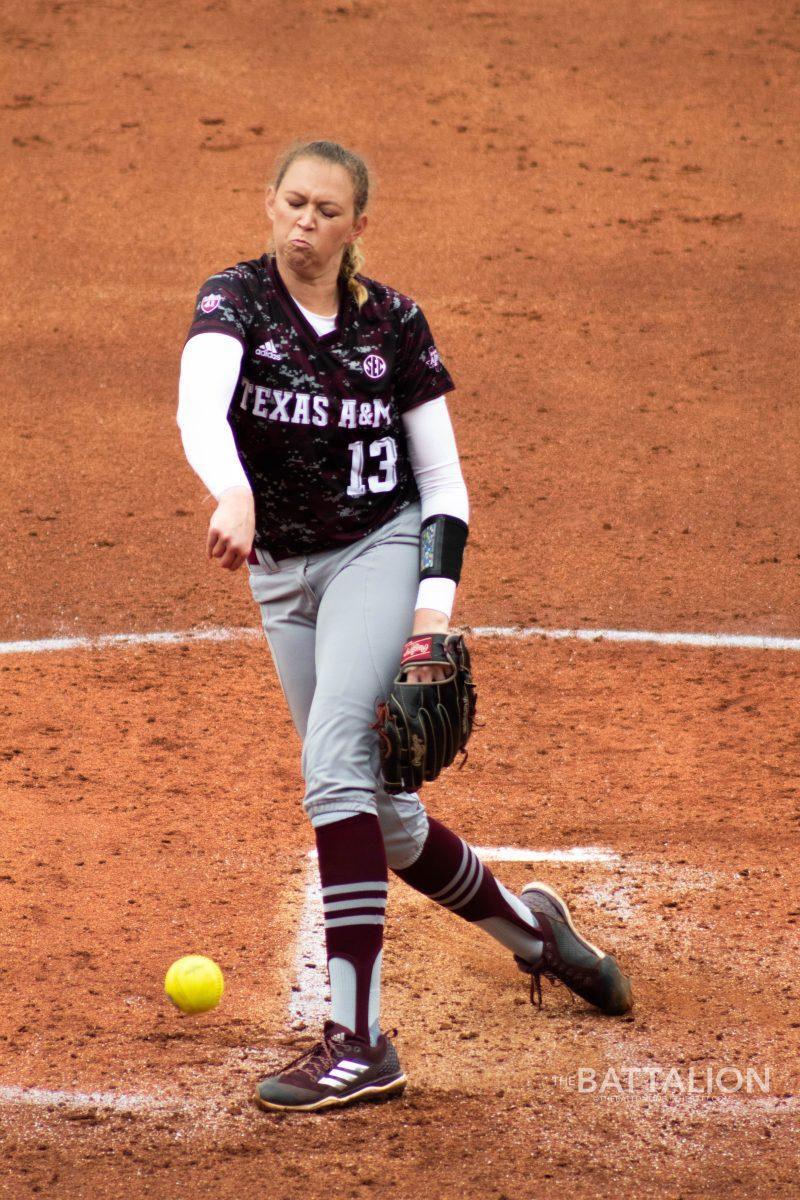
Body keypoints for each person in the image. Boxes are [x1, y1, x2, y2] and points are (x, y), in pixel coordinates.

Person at [177, 139, 632, 1114]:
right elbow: (199, 410)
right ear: (269, 206)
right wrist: (231, 492)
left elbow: (443, 488)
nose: (304, 222)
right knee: (379, 815)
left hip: (374, 556)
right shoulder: (233, 303)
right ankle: (535, 935)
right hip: (279, 577)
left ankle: (357, 1043)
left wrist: (428, 627)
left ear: (356, 228)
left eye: (325, 210)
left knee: (335, 767)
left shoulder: (394, 326)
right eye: (291, 203)